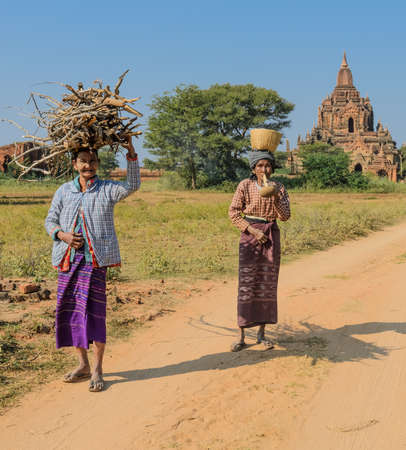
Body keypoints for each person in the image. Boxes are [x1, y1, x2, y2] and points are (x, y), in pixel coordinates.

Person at [45, 136, 140, 391]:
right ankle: (82, 364)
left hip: (94, 262)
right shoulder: (64, 191)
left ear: (98, 164)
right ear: (75, 164)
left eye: (93, 161)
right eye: (83, 161)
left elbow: (132, 184)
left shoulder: (107, 189)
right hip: (68, 261)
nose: (88, 166)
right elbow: (50, 221)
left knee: (95, 314)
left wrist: (131, 153)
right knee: (72, 313)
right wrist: (63, 235)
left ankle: (98, 370)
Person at [228, 147, 290, 352]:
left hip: (271, 234)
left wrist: (274, 197)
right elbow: (234, 214)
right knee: (247, 284)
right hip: (250, 235)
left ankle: (262, 334)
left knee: (266, 284)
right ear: (253, 168)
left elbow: (285, 216)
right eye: (260, 165)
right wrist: (254, 232)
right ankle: (242, 335)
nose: (264, 169)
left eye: (268, 165)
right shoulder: (245, 185)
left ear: (273, 168)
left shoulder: (279, 188)